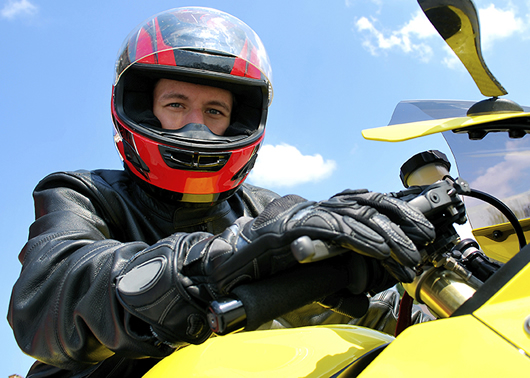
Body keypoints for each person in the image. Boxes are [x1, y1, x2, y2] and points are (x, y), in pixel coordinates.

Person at [8, 7, 435, 377]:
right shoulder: (84, 193)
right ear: (142, 108)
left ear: (239, 122)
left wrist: (418, 297)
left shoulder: (270, 210)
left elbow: (362, 306)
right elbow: (46, 299)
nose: (196, 127)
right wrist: (216, 263)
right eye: (176, 105)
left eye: (214, 111)